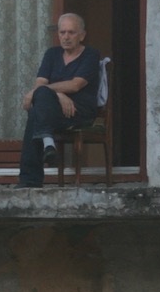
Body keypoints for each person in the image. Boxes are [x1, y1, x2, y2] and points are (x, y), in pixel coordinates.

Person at [16, 13, 103, 188]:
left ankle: (30, 179)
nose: (66, 37)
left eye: (71, 32)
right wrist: (58, 94)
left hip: (78, 111)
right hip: (54, 110)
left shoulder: (91, 55)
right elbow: (40, 83)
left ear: (82, 35)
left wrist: (52, 91)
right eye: (62, 32)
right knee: (37, 107)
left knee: (36, 111)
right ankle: (48, 143)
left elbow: (75, 85)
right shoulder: (52, 54)